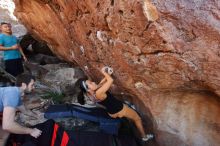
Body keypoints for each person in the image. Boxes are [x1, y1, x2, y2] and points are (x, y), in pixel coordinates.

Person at [77, 67, 154, 142]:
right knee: (137, 118)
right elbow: (110, 81)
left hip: (111, 112)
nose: (93, 82)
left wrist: (108, 74)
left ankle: (129, 113)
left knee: (123, 106)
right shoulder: (99, 93)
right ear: (88, 89)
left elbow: (101, 83)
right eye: (90, 83)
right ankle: (144, 136)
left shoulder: (92, 94)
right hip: (120, 109)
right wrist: (104, 72)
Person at [0, 73, 42, 145]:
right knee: (6, 131)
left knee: (4, 134)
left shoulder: (15, 92)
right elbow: (7, 125)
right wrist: (31, 131)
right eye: (32, 85)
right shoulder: (12, 93)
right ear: (23, 85)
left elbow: (24, 110)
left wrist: (37, 116)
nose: (34, 87)